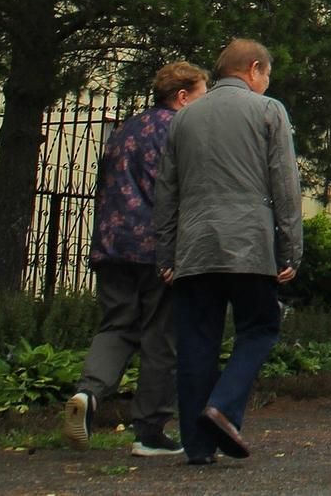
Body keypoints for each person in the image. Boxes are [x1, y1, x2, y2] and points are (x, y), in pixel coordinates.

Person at [155, 38, 303, 466]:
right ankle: (223, 405)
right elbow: (284, 185)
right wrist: (290, 249)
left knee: (196, 340)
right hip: (250, 245)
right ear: (254, 69)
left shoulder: (183, 119)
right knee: (259, 327)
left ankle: (198, 447)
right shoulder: (268, 111)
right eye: (266, 75)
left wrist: (166, 254)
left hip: (194, 246)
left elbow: (167, 191)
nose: (266, 83)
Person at [63, 61, 207, 457]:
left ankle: (89, 393)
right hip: (156, 248)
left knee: (117, 325)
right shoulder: (182, 131)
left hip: (111, 244)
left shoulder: (125, 129)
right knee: (161, 337)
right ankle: (150, 431)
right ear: (182, 97)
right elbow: (182, 191)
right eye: (200, 95)